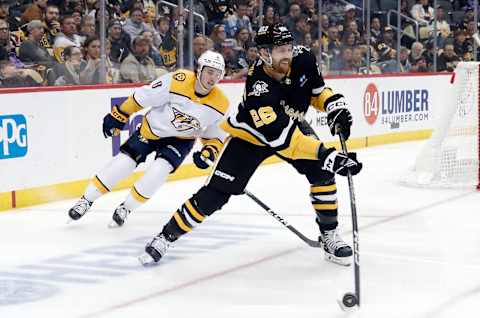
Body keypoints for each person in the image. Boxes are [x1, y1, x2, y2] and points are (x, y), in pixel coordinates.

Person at [139, 24, 362, 266]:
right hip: (252, 135)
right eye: (280, 50)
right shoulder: (258, 86)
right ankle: (165, 237)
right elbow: (284, 140)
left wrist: (332, 105)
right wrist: (327, 155)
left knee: (323, 174)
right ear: (264, 54)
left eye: (288, 48)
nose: (287, 54)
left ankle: (328, 233)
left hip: (292, 125)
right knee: (214, 195)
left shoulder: (304, 58)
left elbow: (316, 91)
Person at [67, 51, 230, 227]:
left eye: (217, 74)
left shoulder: (221, 103)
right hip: (152, 130)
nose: (212, 78)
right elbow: (145, 96)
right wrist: (120, 114)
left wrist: (209, 152)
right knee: (123, 164)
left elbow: (215, 136)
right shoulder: (179, 80)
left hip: (181, 141)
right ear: (199, 69)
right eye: (209, 71)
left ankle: (126, 208)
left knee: (159, 172)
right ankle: (86, 199)